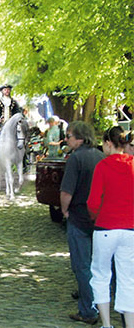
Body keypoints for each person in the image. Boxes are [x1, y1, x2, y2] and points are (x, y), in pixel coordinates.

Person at [87, 126, 134, 328]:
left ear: (108, 143)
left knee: (101, 275)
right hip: (130, 229)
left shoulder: (103, 166)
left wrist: (96, 216)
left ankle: (107, 324)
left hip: (105, 227)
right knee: (127, 279)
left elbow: (93, 201)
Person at [60, 121, 104, 325]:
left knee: (81, 266)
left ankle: (88, 310)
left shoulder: (76, 159)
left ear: (79, 138)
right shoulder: (99, 156)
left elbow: (66, 191)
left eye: (68, 136)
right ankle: (94, 301)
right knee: (97, 266)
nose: (66, 139)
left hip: (79, 217)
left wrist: (64, 210)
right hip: (99, 218)